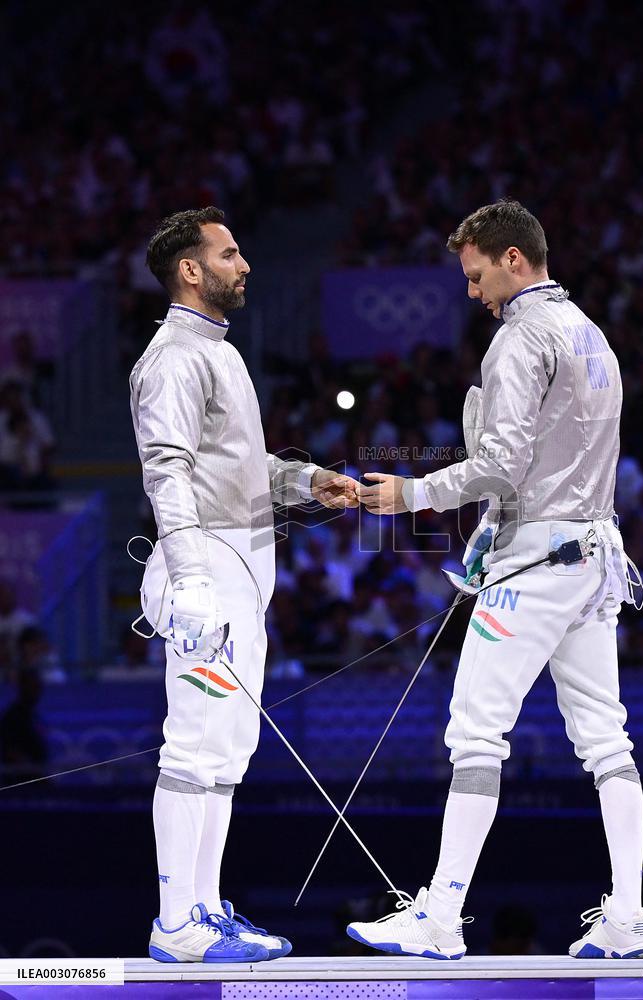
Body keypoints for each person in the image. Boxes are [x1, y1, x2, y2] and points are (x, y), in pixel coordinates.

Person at [351, 199, 643, 960]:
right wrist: (491, 523)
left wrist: (410, 493)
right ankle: (626, 916)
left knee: (476, 731)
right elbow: (551, 461)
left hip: (538, 564)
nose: (471, 291)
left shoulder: (519, 338)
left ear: (512, 258)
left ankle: (441, 919)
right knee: (604, 738)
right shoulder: (590, 333)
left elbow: (498, 466)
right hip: (592, 557)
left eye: (476, 273)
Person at [131, 206, 357, 964]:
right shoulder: (171, 358)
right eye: (229, 254)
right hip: (204, 568)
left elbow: (235, 469)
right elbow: (167, 472)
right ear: (190, 270)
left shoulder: (220, 354)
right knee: (193, 749)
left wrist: (304, 478)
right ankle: (175, 922)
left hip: (239, 569)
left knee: (227, 752)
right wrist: (190, 580)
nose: (245, 264)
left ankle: (199, 910)